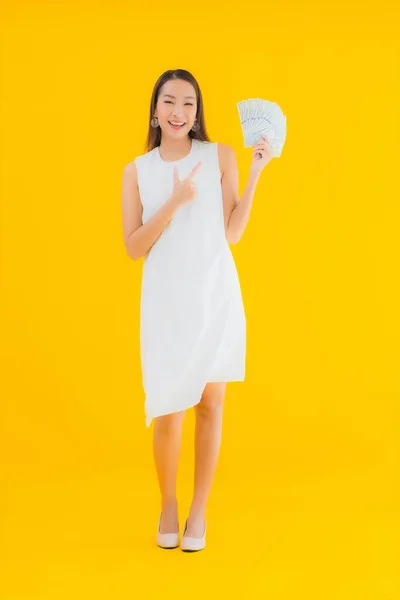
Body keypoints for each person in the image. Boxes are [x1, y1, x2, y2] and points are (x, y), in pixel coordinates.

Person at [121, 69, 273, 552]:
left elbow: (231, 233)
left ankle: (199, 511)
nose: (179, 111)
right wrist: (173, 202)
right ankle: (168, 504)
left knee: (211, 404)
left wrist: (254, 174)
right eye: (170, 101)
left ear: (197, 111)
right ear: (155, 109)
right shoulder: (137, 170)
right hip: (166, 302)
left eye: (189, 103)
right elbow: (133, 246)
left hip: (214, 294)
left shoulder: (220, 156)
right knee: (169, 410)